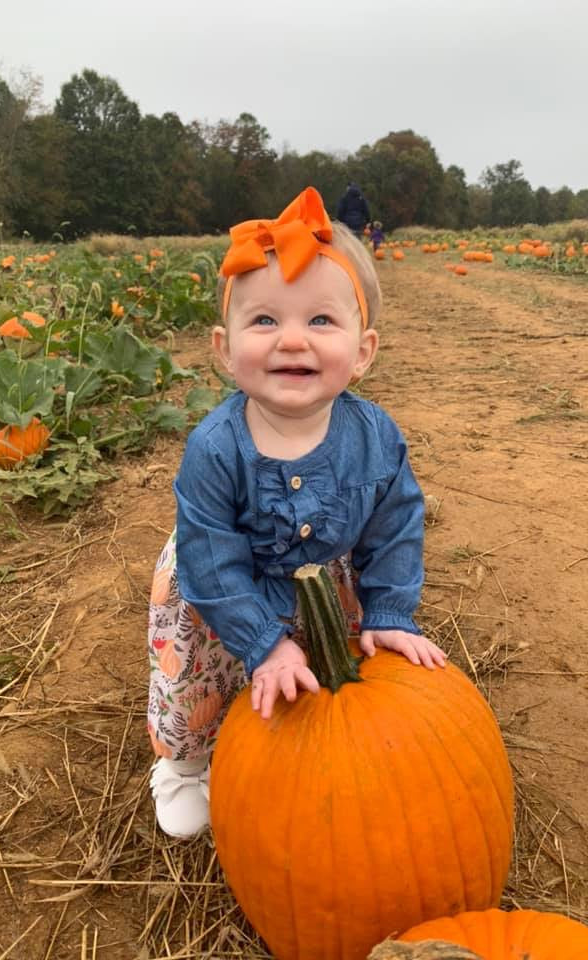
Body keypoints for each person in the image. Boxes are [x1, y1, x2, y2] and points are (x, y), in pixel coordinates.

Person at [146, 186, 446, 839]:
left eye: (319, 321)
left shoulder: (377, 438)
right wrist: (259, 639)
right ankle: (185, 765)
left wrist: (391, 610)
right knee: (202, 676)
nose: (291, 341)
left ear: (362, 351)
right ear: (224, 349)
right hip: (217, 587)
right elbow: (212, 557)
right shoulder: (215, 448)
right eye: (264, 321)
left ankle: (288, 732)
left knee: (311, 674)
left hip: (320, 577)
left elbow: (396, 527)